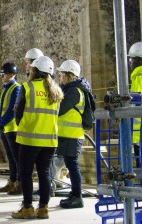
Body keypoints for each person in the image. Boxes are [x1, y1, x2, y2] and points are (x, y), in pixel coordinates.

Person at [11, 56, 63, 220]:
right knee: (44, 173)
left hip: (29, 139)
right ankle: (43, 209)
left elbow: (18, 111)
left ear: (34, 71)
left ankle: (27, 208)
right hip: (49, 140)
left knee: (25, 174)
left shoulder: (28, 87)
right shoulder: (56, 90)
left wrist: (22, 124)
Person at [55, 60, 89, 209]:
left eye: (61, 75)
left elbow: (60, 109)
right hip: (67, 134)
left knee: (72, 165)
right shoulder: (70, 89)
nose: (59, 78)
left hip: (72, 135)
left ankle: (77, 197)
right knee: (70, 164)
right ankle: (74, 194)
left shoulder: (74, 91)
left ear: (69, 75)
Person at [0, 62, 22, 195]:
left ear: (12, 74)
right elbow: (1, 109)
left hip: (12, 128)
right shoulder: (7, 88)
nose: (1, 77)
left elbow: (12, 111)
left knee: (16, 158)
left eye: (3, 74)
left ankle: (19, 183)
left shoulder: (16, 88)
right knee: (11, 158)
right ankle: (12, 181)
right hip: (6, 128)